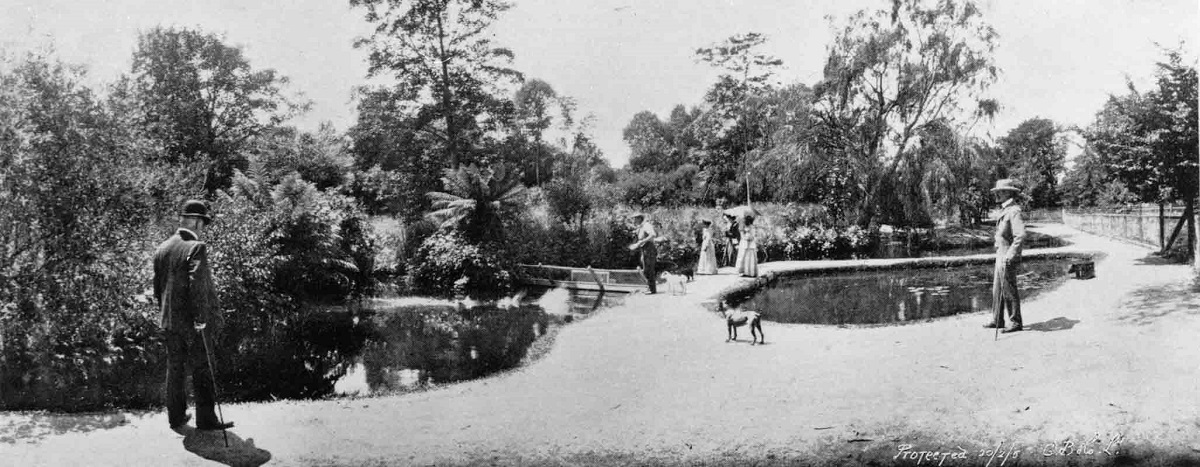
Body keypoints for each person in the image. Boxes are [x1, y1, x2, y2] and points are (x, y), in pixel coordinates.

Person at [153, 200, 234, 430]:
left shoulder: (162, 248)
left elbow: (157, 289)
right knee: (202, 367)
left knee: (175, 368)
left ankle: (176, 418)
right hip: (192, 322)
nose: (203, 228)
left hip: (169, 321)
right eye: (203, 223)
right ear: (198, 222)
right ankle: (206, 419)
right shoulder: (196, 247)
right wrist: (200, 317)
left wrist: (165, 314)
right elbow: (196, 284)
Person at [984, 179, 1027, 333]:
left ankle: (1015, 321)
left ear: (1008, 192)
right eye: (996, 192)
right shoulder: (1004, 210)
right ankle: (997, 319)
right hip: (1000, 254)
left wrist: (1011, 255)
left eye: (1000, 192)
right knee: (997, 289)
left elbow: (1020, 235)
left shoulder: (1014, 210)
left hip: (1007, 255)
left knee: (1008, 288)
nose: (997, 194)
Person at [628, 214, 658, 294]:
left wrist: (643, 241)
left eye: (635, 219)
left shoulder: (646, 225)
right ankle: (649, 287)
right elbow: (641, 240)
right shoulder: (640, 227)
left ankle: (652, 290)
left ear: (639, 219)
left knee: (649, 269)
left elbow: (653, 235)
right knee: (645, 269)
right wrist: (636, 245)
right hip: (644, 249)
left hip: (649, 249)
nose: (634, 221)